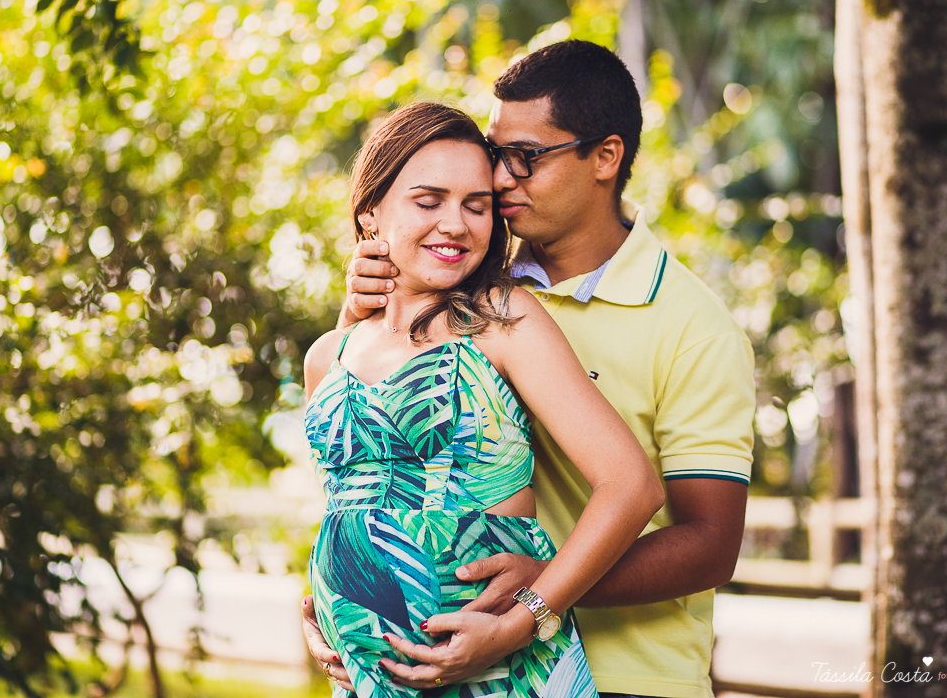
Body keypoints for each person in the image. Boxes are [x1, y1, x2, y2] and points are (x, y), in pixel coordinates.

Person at [305, 41, 756, 698]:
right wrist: (335, 599)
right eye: (497, 155)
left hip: (626, 673)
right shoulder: (466, 288)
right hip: (422, 661)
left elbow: (710, 543)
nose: (500, 179)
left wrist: (537, 598)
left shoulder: (690, 327)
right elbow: (366, 460)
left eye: (526, 157)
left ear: (606, 157)